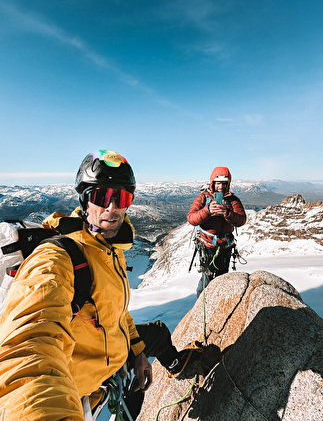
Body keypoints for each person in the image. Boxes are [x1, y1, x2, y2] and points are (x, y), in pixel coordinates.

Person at [0, 150, 197, 420]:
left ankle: (175, 365)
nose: (112, 207)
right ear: (85, 200)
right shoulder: (56, 258)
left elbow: (114, 308)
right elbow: (29, 348)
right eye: (102, 196)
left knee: (158, 335)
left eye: (122, 197)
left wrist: (138, 352)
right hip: (83, 388)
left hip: (112, 365)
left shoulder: (109, 249)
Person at [187, 166, 246, 297]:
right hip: (207, 246)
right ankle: (202, 305)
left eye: (224, 184)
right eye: (218, 183)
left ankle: (217, 304)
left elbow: (241, 220)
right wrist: (207, 210)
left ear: (228, 184)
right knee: (207, 278)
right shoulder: (203, 198)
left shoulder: (233, 200)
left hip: (224, 246)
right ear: (213, 183)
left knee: (222, 277)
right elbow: (191, 218)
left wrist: (228, 213)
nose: (221, 187)